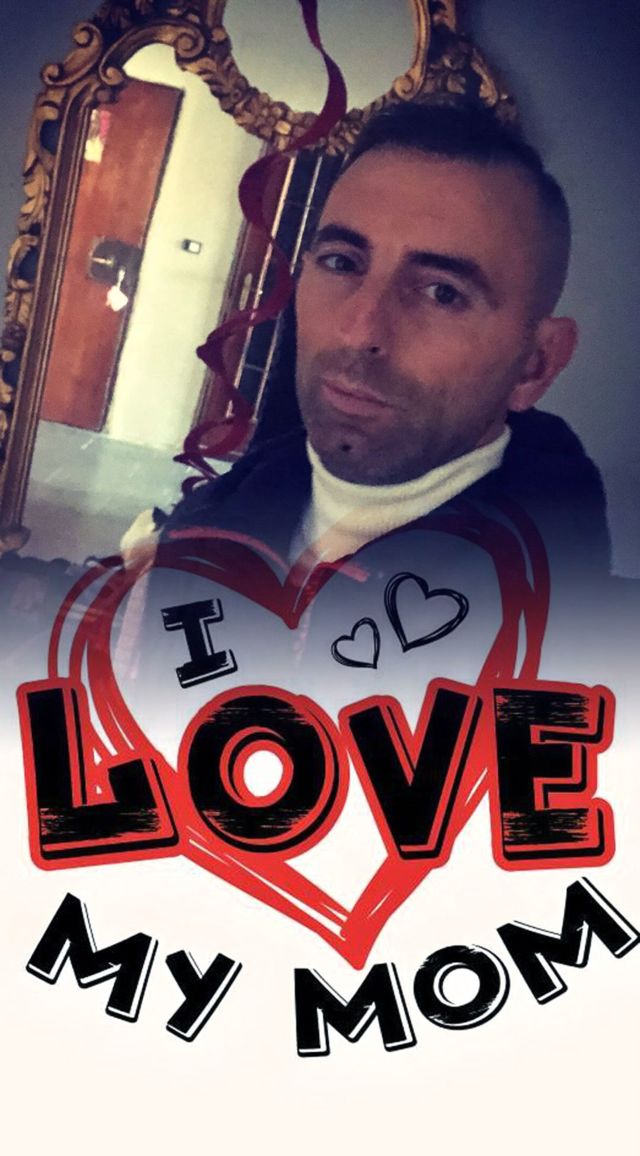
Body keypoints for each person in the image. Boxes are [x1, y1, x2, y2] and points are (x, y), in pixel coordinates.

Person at [162, 102, 610, 585]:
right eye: (342, 262)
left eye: (443, 293)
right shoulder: (193, 536)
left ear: (535, 366)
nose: (360, 332)